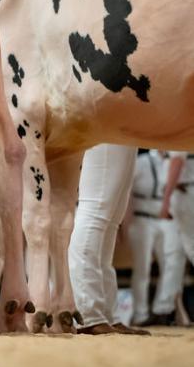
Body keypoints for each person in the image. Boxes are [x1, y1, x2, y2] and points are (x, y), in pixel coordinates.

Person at [67, 144, 149, 335]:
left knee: (111, 219)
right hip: (106, 126)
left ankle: (107, 314)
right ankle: (87, 313)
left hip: (127, 131)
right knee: (96, 209)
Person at [127, 150, 185, 326]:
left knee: (170, 263)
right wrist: (125, 222)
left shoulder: (171, 159)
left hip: (166, 217)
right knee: (142, 268)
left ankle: (162, 309)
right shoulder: (141, 161)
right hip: (142, 218)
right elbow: (127, 189)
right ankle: (140, 314)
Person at [160, 151, 194, 264]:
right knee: (174, 252)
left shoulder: (177, 135)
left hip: (184, 193)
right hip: (182, 193)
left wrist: (166, 201)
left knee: (191, 246)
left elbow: (177, 162)